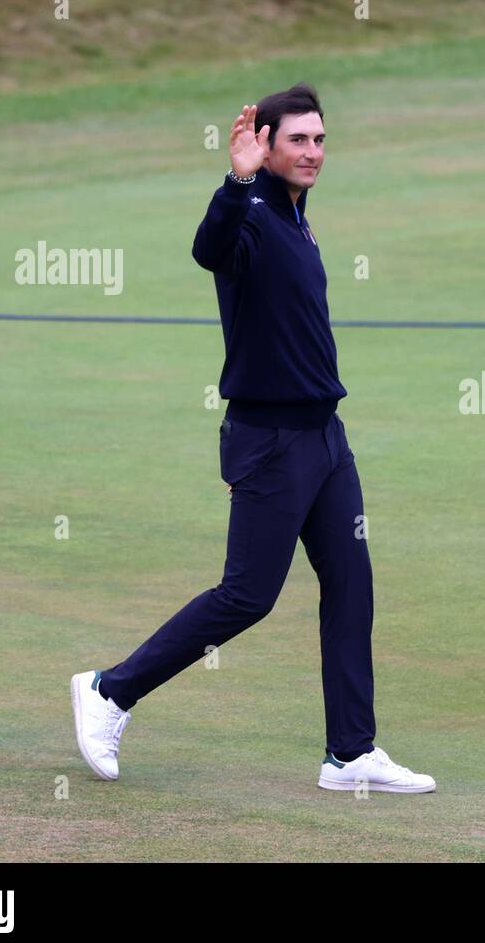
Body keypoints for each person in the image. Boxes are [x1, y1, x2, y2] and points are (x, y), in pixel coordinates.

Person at [70, 83, 435, 794]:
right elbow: (209, 249)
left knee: (352, 583)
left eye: (320, 139)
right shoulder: (250, 213)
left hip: (324, 437)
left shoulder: (296, 216)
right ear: (263, 144)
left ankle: (350, 754)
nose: (312, 152)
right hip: (269, 441)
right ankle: (110, 691)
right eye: (297, 139)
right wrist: (236, 179)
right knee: (247, 596)